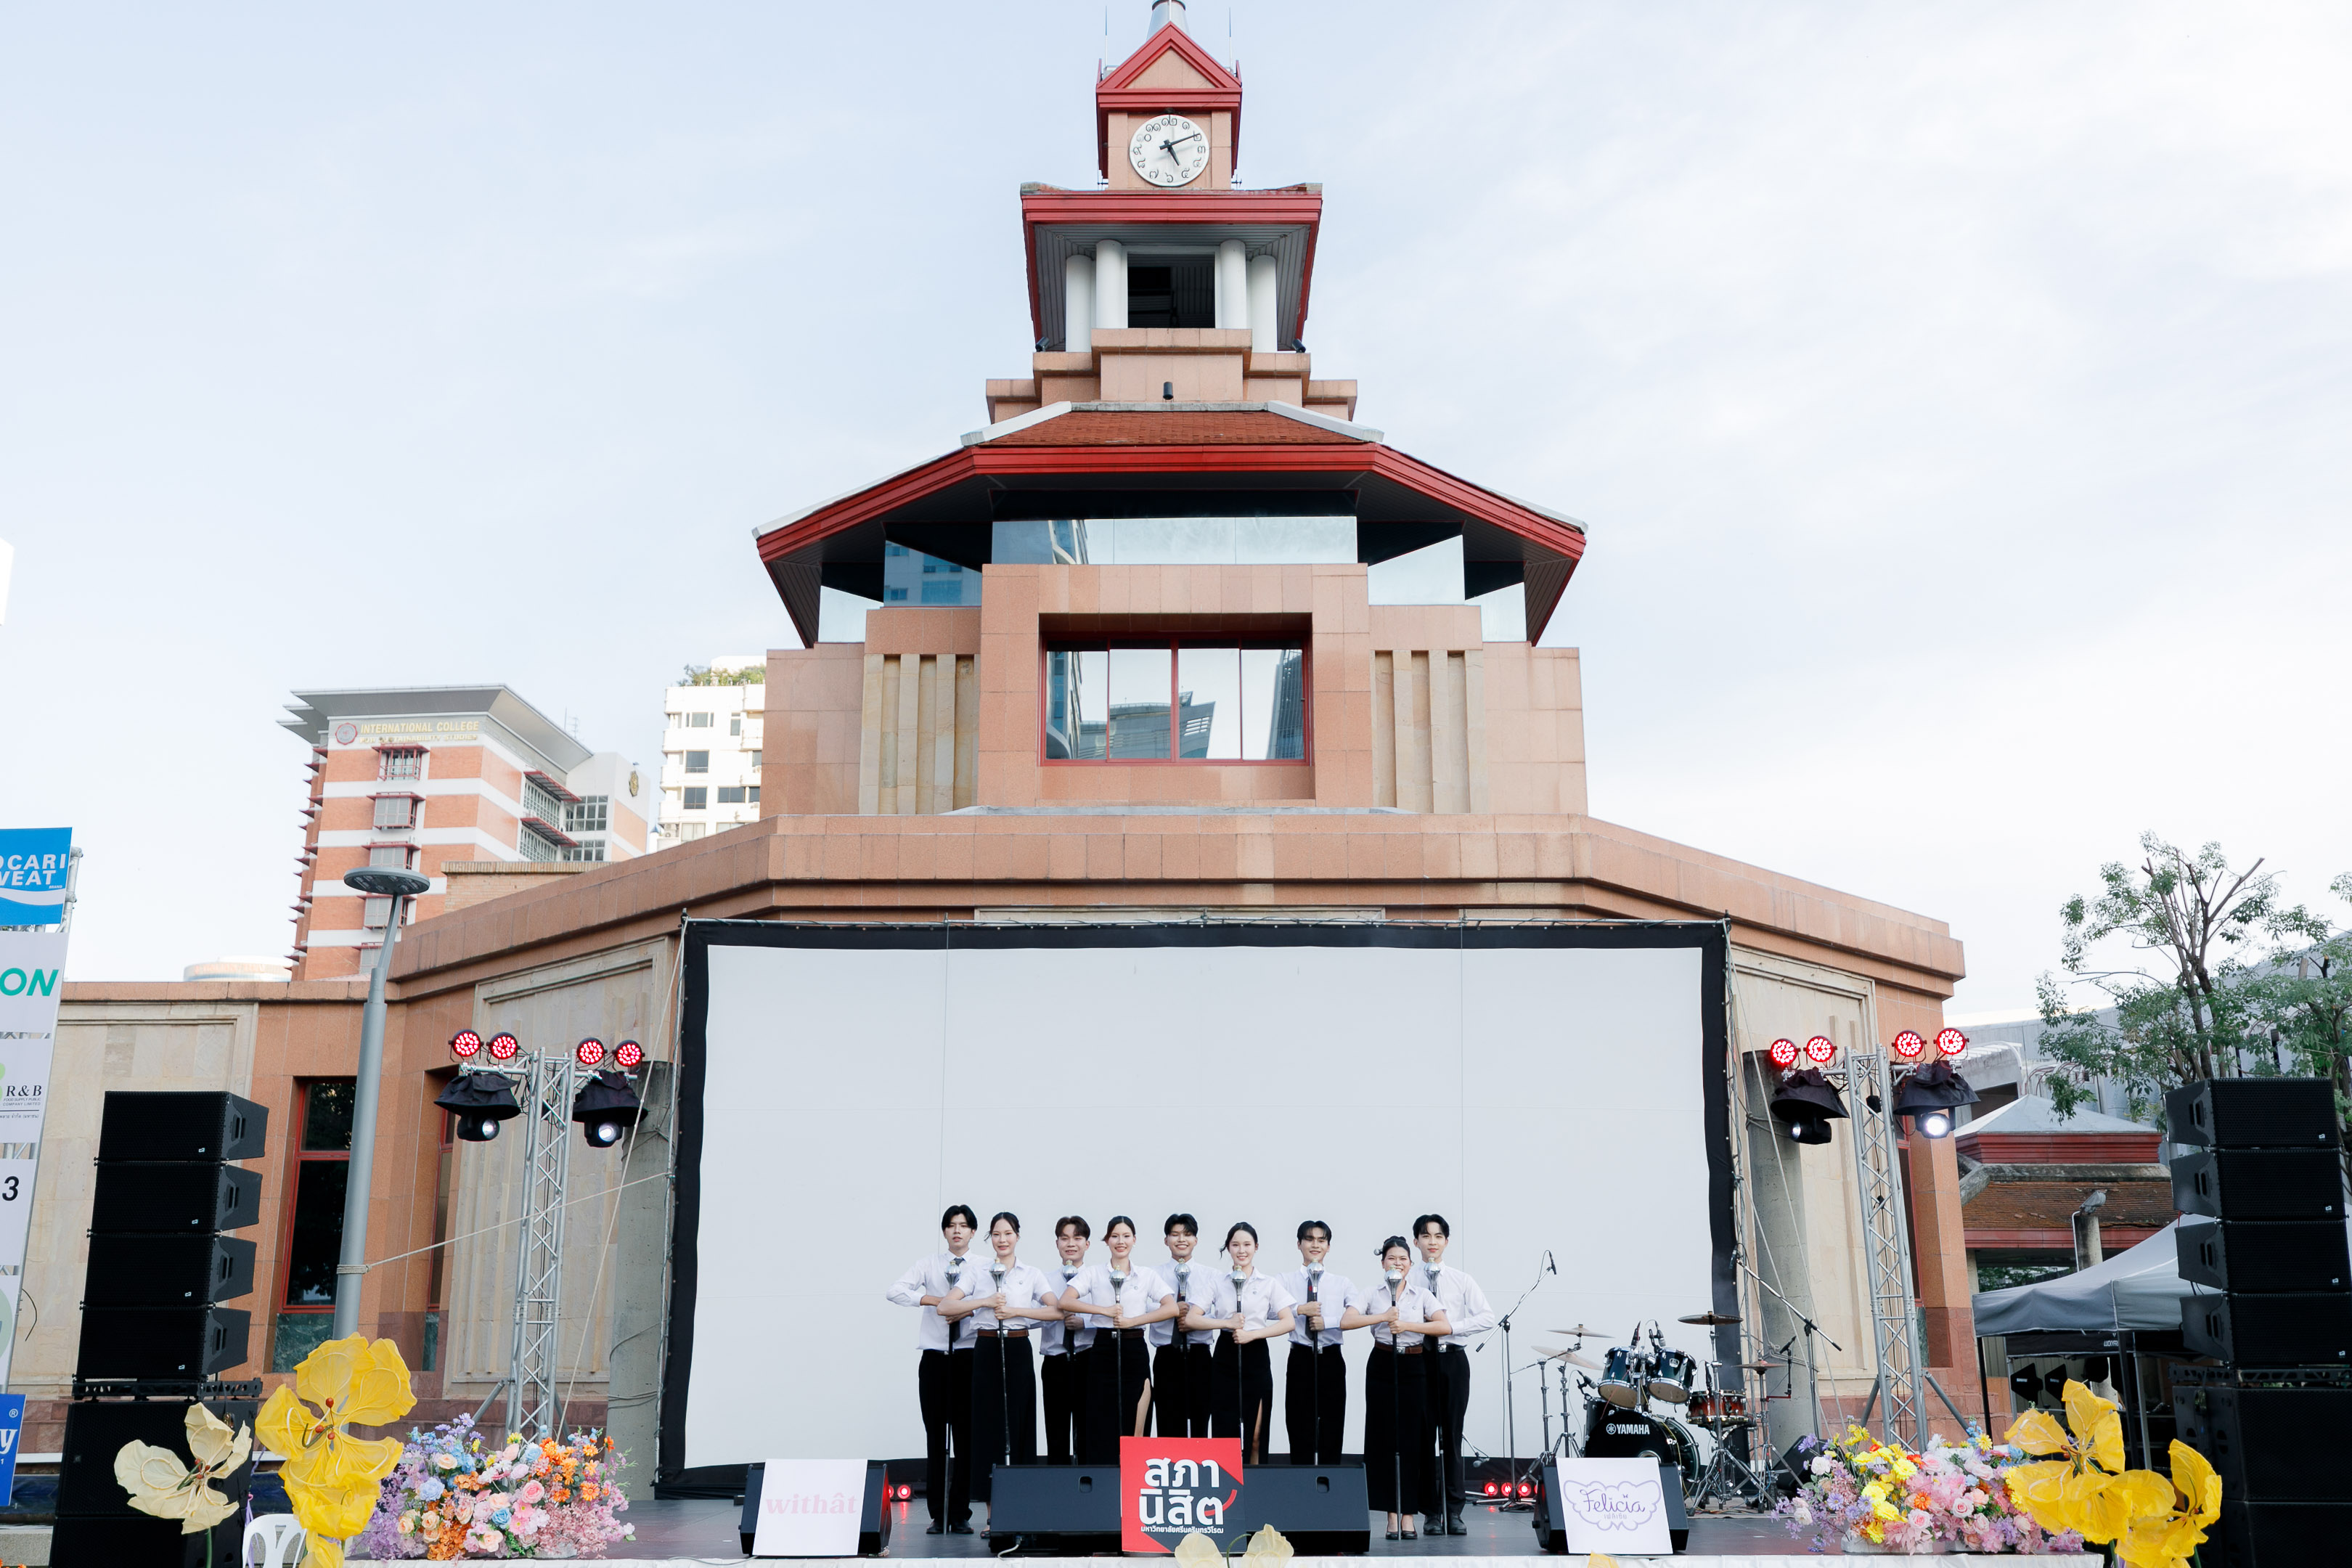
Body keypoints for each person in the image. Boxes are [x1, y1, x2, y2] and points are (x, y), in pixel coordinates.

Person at [942, 1212, 1061, 1517]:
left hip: (1018, 1347)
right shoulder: (977, 1272)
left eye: (1008, 1234)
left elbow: (1056, 1311)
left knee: (1020, 1423)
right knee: (988, 1427)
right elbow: (946, 1306)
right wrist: (984, 1302)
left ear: (1017, 1237)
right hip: (986, 1348)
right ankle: (993, 1515)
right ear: (989, 1238)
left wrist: (1016, 1311)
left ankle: (1020, 1510)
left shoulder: (1031, 1273)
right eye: (996, 1234)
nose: (1002, 1240)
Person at [883, 1204, 984, 1534]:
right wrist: (934, 1301)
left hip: (968, 1357)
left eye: (964, 1226)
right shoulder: (929, 1264)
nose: (957, 1231)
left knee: (967, 1438)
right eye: (951, 1226)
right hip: (935, 1359)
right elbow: (895, 1291)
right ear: (944, 1231)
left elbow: (993, 1303)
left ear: (973, 1232)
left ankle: (960, 1513)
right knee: (936, 1437)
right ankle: (938, 1514)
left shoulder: (984, 1266)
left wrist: (964, 1310)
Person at [1343, 1236, 1453, 1540]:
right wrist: (1382, 1317)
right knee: (1383, 1438)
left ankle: (1409, 1515)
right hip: (1381, 1363)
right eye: (1391, 1258)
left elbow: (1444, 1326)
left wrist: (1407, 1325)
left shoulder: (1422, 1295)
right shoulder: (1372, 1293)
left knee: (1413, 1439)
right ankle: (1391, 1515)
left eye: (1403, 1259)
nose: (1397, 1263)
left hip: (1413, 1366)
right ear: (1383, 1263)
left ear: (1410, 1264)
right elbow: (1346, 1321)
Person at [1055, 1214, 1177, 1461]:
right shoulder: (1095, 1273)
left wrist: (1134, 1320)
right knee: (1101, 1414)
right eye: (1115, 1236)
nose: (1121, 1241)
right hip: (1103, 1349)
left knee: (1136, 1409)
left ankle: (1134, 1469)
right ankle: (1103, 1472)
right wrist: (1104, 1311)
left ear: (1134, 1240)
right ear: (1107, 1241)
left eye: (1126, 1236)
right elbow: (1065, 1301)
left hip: (1134, 1346)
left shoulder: (1145, 1275)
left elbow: (1171, 1307)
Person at [1412, 1212, 1497, 1536]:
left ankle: (1455, 1511)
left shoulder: (1462, 1279)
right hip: (1421, 1360)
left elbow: (1487, 1317)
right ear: (1416, 1242)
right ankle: (1431, 1513)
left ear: (1446, 1242)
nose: (1432, 1242)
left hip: (1453, 1361)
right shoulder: (1409, 1278)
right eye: (1425, 1236)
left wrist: (1450, 1328)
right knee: (1424, 1438)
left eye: (1438, 1236)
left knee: (1451, 1437)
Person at [1196, 1222, 1297, 1463]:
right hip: (1226, 1353)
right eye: (1235, 1245)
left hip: (1256, 1353)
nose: (1241, 1250)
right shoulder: (1218, 1282)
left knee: (1256, 1434)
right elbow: (1191, 1318)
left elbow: (1289, 1322)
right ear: (1228, 1248)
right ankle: (1226, 1482)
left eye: (1247, 1245)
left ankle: (1256, 1482)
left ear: (1256, 1247)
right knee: (1225, 1431)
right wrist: (1226, 1323)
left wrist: (1253, 1334)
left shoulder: (1268, 1283)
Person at [1275, 1220, 1351, 1465]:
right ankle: (1301, 1480)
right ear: (1299, 1244)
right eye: (1309, 1239)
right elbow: (1266, 1310)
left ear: (1328, 1246)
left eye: (1321, 1240)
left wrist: (1327, 1322)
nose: (1315, 1245)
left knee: (1332, 1422)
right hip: (1300, 1356)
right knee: (1299, 1422)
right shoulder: (1284, 1280)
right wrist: (1299, 1309)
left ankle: (1329, 1480)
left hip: (1330, 1356)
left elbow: (1356, 1315)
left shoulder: (1342, 1283)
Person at [1153, 1213, 1217, 1438]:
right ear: (1166, 1240)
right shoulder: (1153, 1275)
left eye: (1187, 1235)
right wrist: (1171, 1310)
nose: (1181, 1240)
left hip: (1200, 1355)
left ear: (1196, 1240)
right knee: (1167, 1420)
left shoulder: (1212, 1276)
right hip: (1167, 1354)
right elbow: (1143, 1308)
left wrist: (1196, 1318)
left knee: (1200, 1418)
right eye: (1175, 1235)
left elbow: (1222, 1311)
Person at [1040, 1216, 1092, 1465]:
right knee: (1056, 1431)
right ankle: (1057, 1485)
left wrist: (1086, 1322)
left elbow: (1111, 1314)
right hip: (1055, 1361)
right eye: (1065, 1238)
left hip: (1088, 1359)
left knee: (1088, 1429)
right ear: (1057, 1243)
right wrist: (1053, 1314)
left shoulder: (1097, 1277)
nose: (1071, 1244)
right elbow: (1030, 1317)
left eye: (1077, 1238)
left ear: (1087, 1244)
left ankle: (1087, 1483)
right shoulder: (1044, 1280)